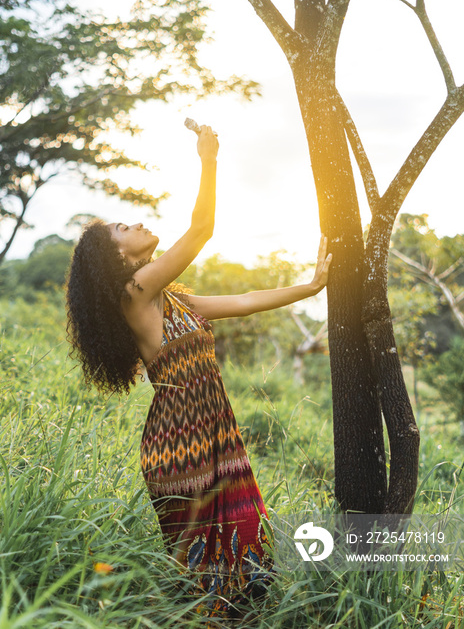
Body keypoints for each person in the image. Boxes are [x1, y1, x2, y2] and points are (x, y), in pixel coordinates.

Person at [65, 125, 332, 623]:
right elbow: (202, 230)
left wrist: (310, 288)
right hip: (180, 442)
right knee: (199, 576)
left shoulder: (170, 299)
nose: (136, 223)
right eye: (123, 226)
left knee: (241, 554)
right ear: (116, 256)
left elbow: (246, 301)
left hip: (213, 434)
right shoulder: (135, 294)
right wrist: (208, 158)